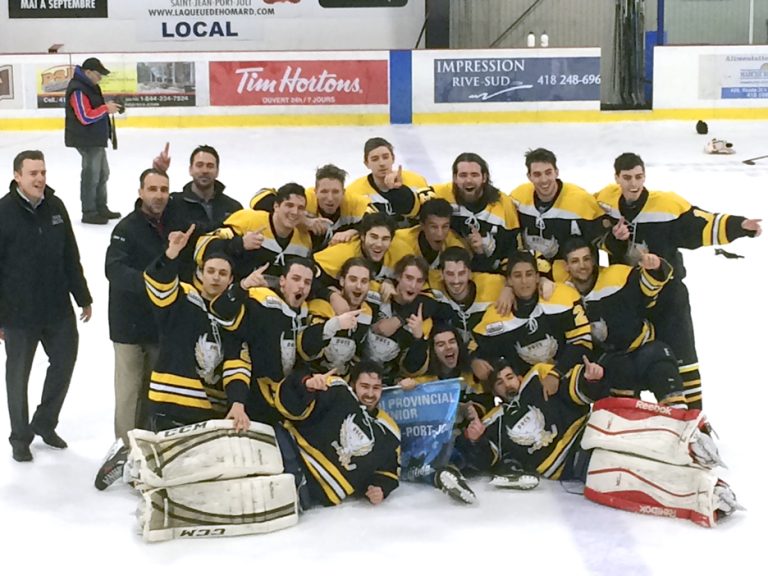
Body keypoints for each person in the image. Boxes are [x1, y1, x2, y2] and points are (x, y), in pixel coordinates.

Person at [596, 152, 762, 408]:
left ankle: (694, 416)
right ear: (616, 177)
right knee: (624, 353)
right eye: (627, 177)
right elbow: (588, 230)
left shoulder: (666, 206)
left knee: (682, 354)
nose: (633, 184)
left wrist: (740, 226)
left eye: (639, 177)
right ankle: (627, 415)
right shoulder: (605, 201)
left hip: (668, 296)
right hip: (627, 297)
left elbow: (700, 224)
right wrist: (612, 240)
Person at [96, 225, 251, 490]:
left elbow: (237, 364)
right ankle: (131, 459)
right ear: (200, 273)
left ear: (231, 279)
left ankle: (141, 458)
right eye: (210, 271)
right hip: (169, 404)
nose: (215, 278)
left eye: (222, 273)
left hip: (207, 412)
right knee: (169, 474)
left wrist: (237, 403)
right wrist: (170, 256)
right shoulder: (183, 298)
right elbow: (157, 285)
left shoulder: (234, 316)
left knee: (199, 473)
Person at [0, 150, 93, 462]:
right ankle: (20, 437)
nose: (39, 178)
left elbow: (70, 255)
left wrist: (83, 296)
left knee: (65, 363)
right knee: (17, 377)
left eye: (42, 172)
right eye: (32, 173)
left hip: (57, 308)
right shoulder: (3, 211)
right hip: (18, 314)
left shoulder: (56, 207)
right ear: (17, 177)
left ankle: (44, 421)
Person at [105, 168, 186, 446]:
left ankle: (147, 445)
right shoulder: (126, 229)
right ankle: (124, 449)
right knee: (129, 392)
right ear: (140, 192)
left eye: (164, 190)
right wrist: (152, 282)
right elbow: (114, 270)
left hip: (159, 325)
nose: (159, 195)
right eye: (152, 189)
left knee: (154, 390)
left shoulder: (174, 224)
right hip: (128, 326)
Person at [561, 236, 686, 407]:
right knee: (620, 371)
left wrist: (655, 267)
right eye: (575, 261)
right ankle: (626, 421)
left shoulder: (616, 276)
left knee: (660, 358)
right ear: (566, 266)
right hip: (609, 361)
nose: (582, 266)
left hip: (642, 348)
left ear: (594, 260)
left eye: (586, 259)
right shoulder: (562, 295)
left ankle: (680, 416)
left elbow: (648, 287)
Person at [275, 359, 400, 507]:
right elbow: (289, 406)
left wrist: (380, 487)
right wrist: (307, 386)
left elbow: (389, 470)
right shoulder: (337, 391)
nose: (370, 394)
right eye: (365, 386)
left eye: (376, 388)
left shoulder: (388, 429)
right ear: (353, 384)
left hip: (310, 495)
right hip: (290, 458)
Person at [212, 257, 316, 424]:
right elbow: (221, 311)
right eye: (296, 279)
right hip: (250, 407)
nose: (301, 286)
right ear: (282, 281)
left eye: (307, 282)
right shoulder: (261, 301)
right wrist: (243, 285)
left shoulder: (305, 314)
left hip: (283, 410)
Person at [472, 250, 593, 391]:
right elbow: (475, 347)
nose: (524, 281)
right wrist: (474, 361)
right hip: (527, 391)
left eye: (529, 274)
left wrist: (556, 374)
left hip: (569, 379)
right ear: (509, 280)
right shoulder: (497, 313)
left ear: (537, 277)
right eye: (517, 276)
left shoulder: (562, 296)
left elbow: (583, 342)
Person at [510, 148, 607, 280]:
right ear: (529, 176)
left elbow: (600, 244)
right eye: (537, 174)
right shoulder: (518, 198)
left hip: (570, 277)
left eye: (548, 173)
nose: (544, 180)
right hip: (532, 275)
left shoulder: (582, 201)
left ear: (556, 172)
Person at [154, 143, 244, 282]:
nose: (204, 170)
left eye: (210, 166)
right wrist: (158, 173)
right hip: (183, 283)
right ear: (190, 169)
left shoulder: (233, 207)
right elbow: (149, 209)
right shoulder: (173, 203)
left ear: (217, 171)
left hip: (221, 284)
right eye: (199, 165)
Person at [195, 183, 312, 287]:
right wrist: (240, 243)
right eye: (289, 205)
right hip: (231, 294)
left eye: (300, 208)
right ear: (276, 206)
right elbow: (202, 246)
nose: (295, 212)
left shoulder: (304, 239)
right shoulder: (250, 220)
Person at [422, 152, 520, 272]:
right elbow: (412, 204)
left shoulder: (504, 203)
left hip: (490, 273)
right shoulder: (440, 193)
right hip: (447, 274)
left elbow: (513, 251)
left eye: (474, 175)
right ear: (454, 178)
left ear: (484, 177)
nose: (468, 180)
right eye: (463, 175)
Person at [251, 164, 374, 251]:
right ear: (315, 191)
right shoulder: (305, 199)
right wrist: (302, 220)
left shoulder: (353, 201)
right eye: (324, 191)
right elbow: (258, 199)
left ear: (344, 192)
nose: (330, 198)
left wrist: (354, 231)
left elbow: (380, 219)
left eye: (336, 192)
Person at [366, 255, 442, 382]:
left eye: (419, 281)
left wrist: (418, 339)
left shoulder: (422, 318)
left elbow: (412, 368)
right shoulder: (375, 291)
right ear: (397, 276)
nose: (413, 285)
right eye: (409, 278)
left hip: (388, 380)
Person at [64, 57, 122, 225]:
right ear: (88, 72)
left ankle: (100, 207)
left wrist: (108, 107)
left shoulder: (90, 87)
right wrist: (105, 109)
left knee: (103, 173)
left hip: (95, 138)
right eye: (98, 74)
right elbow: (85, 116)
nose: (100, 78)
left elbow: (93, 110)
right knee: (91, 175)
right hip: (86, 139)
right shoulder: (78, 90)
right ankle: (89, 211)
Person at [313, 212, 409, 310]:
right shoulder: (341, 253)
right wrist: (330, 295)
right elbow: (306, 273)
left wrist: (391, 282)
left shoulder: (400, 251)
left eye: (385, 239)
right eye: (373, 237)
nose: (379, 244)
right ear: (362, 236)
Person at [304, 257, 374, 376]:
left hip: (343, 379)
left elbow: (357, 353)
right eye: (353, 280)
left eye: (364, 281)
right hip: (313, 378)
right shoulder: (321, 306)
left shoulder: (367, 312)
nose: (358, 286)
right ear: (342, 281)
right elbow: (307, 350)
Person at [346, 137, 426, 223]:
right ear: (367, 163)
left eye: (385, 157)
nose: (382, 163)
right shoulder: (354, 191)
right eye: (375, 159)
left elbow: (429, 216)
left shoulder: (416, 181)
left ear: (393, 158)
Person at [394, 198, 471, 288]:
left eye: (445, 226)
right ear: (422, 225)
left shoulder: (455, 246)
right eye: (434, 227)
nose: (440, 233)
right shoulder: (400, 240)